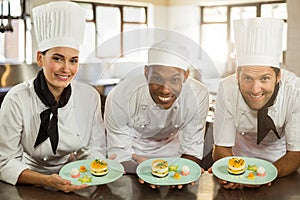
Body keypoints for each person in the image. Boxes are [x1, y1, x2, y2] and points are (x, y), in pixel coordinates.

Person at [0, 2, 106, 193]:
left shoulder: (89, 97)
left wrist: (90, 169)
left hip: (77, 178)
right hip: (28, 181)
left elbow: (94, 149)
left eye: (73, 60)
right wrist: (47, 180)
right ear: (40, 58)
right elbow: (5, 161)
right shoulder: (17, 99)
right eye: (57, 58)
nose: (66, 69)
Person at [212, 17, 300, 190]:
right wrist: (236, 173)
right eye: (247, 78)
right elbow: (221, 147)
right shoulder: (227, 88)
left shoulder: (295, 90)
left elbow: (295, 154)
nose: (255, 89)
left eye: (265, 78)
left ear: (278, 76)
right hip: (236, 162)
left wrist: (261, 176)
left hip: (281, 164)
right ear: (237, 75)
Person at [104, 40, 209, 181]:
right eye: (157, 78)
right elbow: (119, 150)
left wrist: (182, 173)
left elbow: (192, 148)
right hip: (133, 158)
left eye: (174, 80)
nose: (165, 89)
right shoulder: (121, 95)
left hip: (175, 159)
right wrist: (142, 171)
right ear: (146, 72)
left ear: (186, 76)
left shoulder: (198, 95)